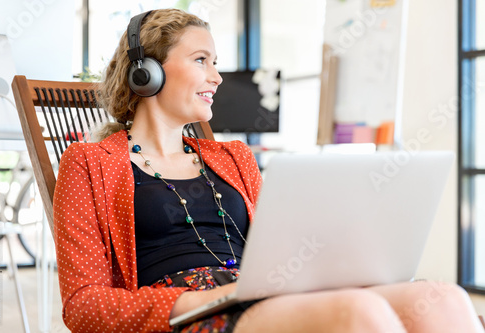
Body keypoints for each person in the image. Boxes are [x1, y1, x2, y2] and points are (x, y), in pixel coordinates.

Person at [53, 8, 484, 333]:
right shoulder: (90, 163)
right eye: (202, 59)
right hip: (191, 310)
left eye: (215, 61)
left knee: (442, 297)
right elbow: (83, 306)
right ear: (147, 73)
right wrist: (206, 297)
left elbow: (279, 248)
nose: (217, 77)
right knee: (360, 313)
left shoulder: (233, 157)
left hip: (264, 290)